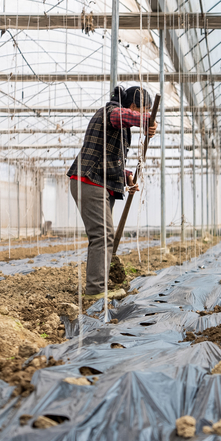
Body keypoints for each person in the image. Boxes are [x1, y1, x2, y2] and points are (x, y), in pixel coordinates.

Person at [67, 85, 156, 299]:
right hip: (89, 180)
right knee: (102, 235)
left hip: (100, 182)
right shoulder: (110, 111)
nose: (147, 114)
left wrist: (126, 176)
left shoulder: (122, 129)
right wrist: (146, 121)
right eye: (146, 110)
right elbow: (118, 116)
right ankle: (95, 290)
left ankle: (99, 284)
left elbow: (109, 157)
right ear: (134, 106)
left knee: (103, 235)